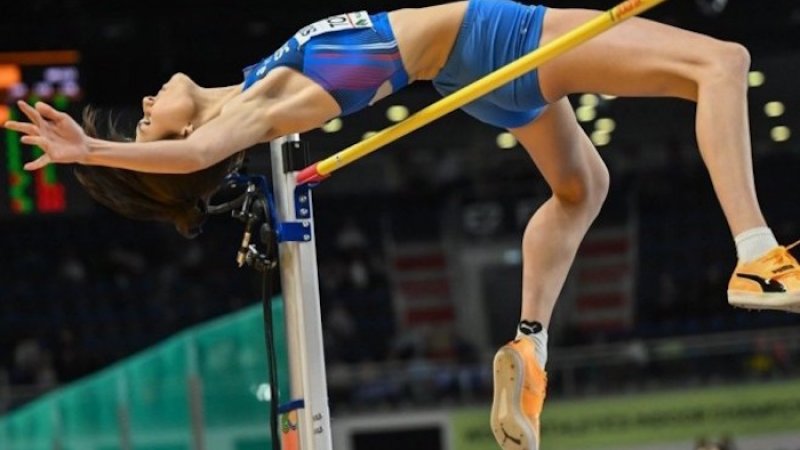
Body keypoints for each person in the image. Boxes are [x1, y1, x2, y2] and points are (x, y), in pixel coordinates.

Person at [5, 0, 800, 448]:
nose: (148, 103)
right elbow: (197, 155)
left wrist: (113, 151)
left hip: (476, 73)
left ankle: (529, 344)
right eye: (148, 120)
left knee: (581, 188)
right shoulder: (253, 111)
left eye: (141, 115)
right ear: (178, 139)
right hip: (493, 39)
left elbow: (196, 152)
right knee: (721, 62)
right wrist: (94, 151)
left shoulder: (255, 89)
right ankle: (756, 255)